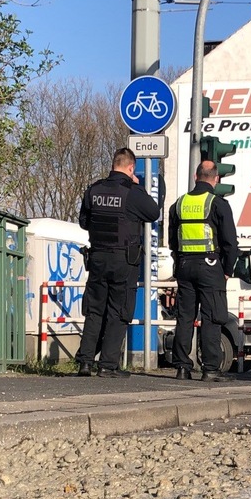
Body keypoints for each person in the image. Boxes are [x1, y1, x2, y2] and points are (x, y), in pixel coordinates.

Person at [76, 147, 160, 378]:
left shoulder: (93, 190)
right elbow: (153, 212)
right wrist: (138, 186)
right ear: (131, 168)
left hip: (98, 258)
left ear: (114, 164)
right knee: (119, 311)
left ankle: (85, 362)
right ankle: (108, 365)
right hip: (124, 260)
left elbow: (84, 221)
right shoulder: (132, 192)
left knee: (94, 310)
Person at [168, 159, 238, 381]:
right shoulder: (218, 204)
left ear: (195, 177)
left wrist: (179, 262)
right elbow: (230, 244)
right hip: (210, 267)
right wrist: (226, 270)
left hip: (184, 266)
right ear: (216, 179)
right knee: (212, 317)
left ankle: (182, 367)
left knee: (185, 317)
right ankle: (210, 369)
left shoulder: (178, 204)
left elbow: (172, 241)